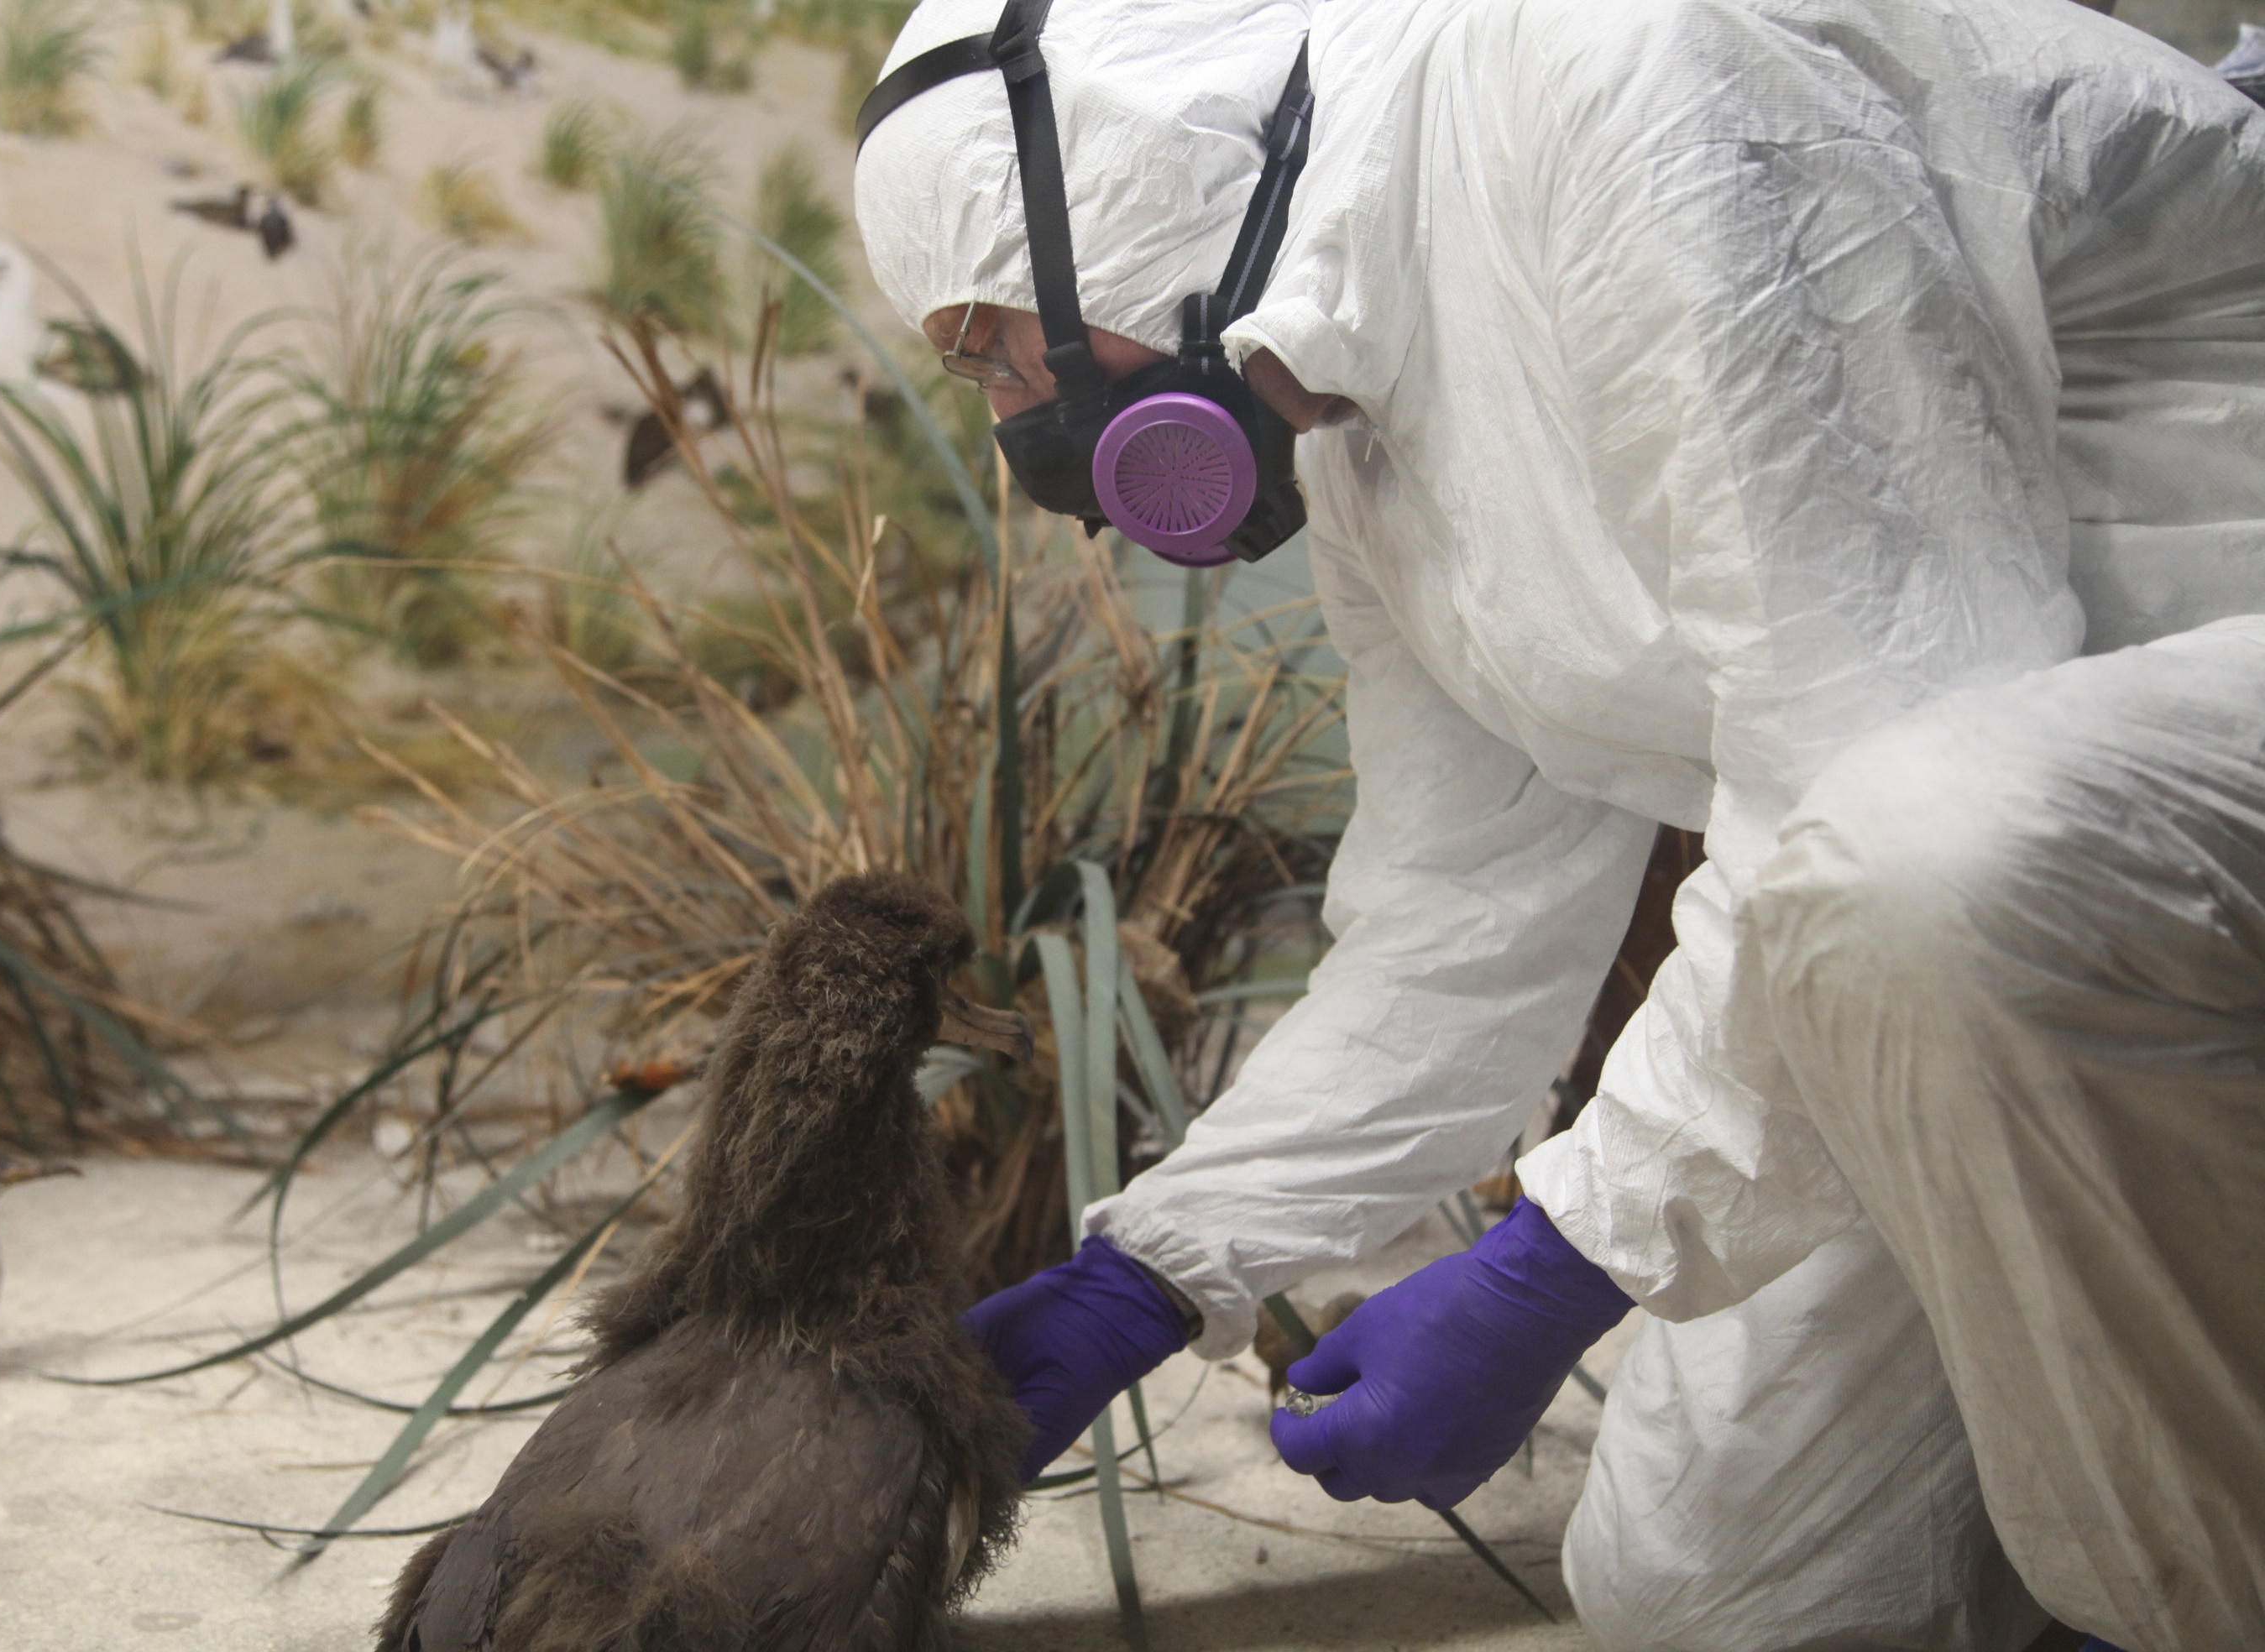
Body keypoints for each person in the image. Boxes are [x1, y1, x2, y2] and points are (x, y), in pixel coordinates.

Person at [852, 0, 2265, 1647]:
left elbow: (1876, 738)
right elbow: (1460, 923)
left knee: (1924, 851)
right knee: (1711, 1595)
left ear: (1114, 167)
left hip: (2156, 761)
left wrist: (1559, 1262)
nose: (1028, 422)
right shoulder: (1368, 431)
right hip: (1970, 926)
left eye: (996, 342)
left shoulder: (1631, 62)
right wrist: (1156, 1269)